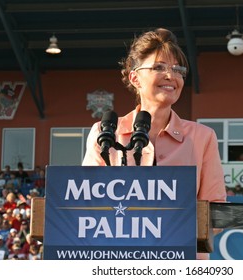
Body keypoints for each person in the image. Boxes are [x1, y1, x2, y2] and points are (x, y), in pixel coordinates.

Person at [82, 28, 226, 259]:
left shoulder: (203, 137)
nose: (171, 75)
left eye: (178, 69)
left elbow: (216, 212)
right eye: (159, 67)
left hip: (183, 263)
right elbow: (85, 204)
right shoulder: (105, 133)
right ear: (134, 77)